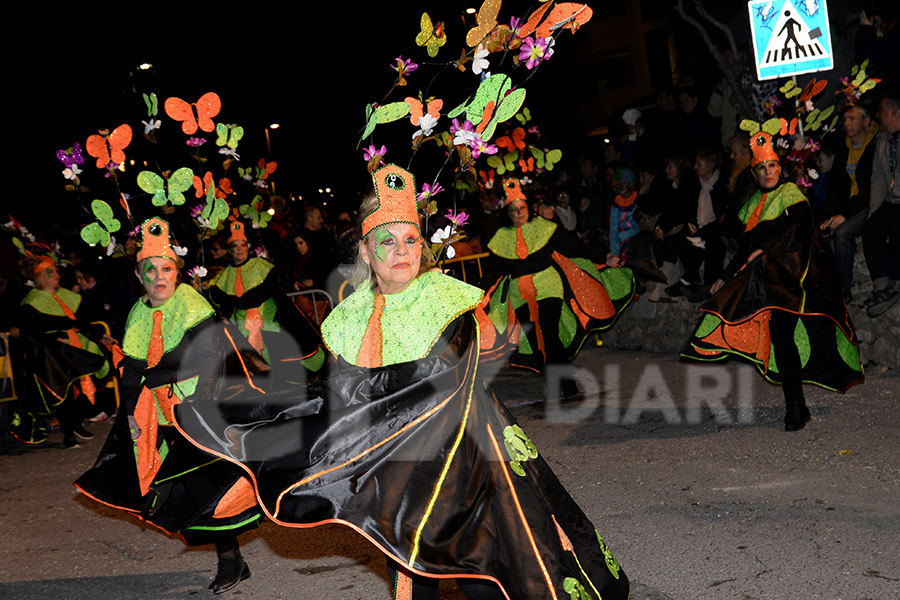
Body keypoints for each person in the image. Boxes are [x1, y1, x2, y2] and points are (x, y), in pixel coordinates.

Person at [175, 164, 630, 600]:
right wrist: (262, 418)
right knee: (411, 572)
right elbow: (339, 399)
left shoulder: (446, 301)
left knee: (490, 569)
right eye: (386, 241)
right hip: (398, 472)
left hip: (467, 463)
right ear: (366, 252)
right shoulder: (349, 320)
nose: (401, 251)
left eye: (411, 239)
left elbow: (432, 382)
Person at [75, 217, 265, 594]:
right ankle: (232, 558)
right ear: (138, 274)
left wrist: (153, 373)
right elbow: (131, 368)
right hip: (158, 414)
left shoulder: (192, 304)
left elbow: (199, 354)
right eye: (151, 270)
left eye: (167, 269)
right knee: (177, 489)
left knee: (210, 486)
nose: (160, 277)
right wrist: (133, 416)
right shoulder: (137, 313)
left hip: (200, 408)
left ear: (178, 272)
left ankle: (229, 559)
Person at [682, 124, 864, 431]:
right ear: (754, 174)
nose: (768, 172)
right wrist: (726, 275)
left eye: (773, 166)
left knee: (786, 334)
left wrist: (763, 250)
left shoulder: (792, 195)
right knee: (777, 336)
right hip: (771, 281)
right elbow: (747, 246)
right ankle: (796, 405)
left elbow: (791, 231)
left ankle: (796, 406)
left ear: (780, 169)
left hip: (798, 279)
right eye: (762, 168)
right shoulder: (755, 204)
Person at [479, 177, 635, 396]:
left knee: (549, 333)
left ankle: (568, 387)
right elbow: (492, 271)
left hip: (547, 285)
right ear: (508, 213)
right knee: (535, 339)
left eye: (523, 208)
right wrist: (476, 295)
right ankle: (554, 384)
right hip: (520, 291)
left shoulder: (544, 228)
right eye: (514, 210)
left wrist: (604, 257)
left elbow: (573, 247)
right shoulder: (500, 239)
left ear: (529, 209)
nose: (520, 213)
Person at [10, 255, 112, 448]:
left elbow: (80, 322)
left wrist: (100, 335)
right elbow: (32, 329)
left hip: (75, 346)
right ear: (41, 276)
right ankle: (68, 433)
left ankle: (74, 423)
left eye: (56, 270)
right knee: (65, 384)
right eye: (51, 272)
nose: (56, 274)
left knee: (95, 370)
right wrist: (53, 338)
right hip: (52, 351)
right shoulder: (33, 300)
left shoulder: (67, 296)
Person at [209, 221, 325, 377]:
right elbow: (222, 299)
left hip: (269, 321)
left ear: (247, 247)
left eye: (242, 245)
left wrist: (245, 301)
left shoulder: (260, 265)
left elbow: (265, 292)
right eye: (234, 247)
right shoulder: (224, 276)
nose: (239, 250)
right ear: (229, 250)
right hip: (241, 326)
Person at [819, 102, 879, 302]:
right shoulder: (844, 149)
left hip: (872, 203)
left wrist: (843, 214)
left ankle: (843, 290)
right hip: (851, 204)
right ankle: (830, 282)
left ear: (867, 121)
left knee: (842, 232)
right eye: (845, 119)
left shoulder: (877, 145)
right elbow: (835, 187)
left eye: (852, 118)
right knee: (822, 231)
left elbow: (871, 189)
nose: (847, 123)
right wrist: (827, 216)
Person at [861, 91, 900, 317]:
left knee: (897, 227)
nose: (877, 116)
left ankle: (895, 280)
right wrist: (873, 212)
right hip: (890, 199)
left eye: (882, 112)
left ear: (894, 112)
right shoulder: (883, 139)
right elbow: (877, 177)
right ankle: (881, 285)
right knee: (871, 228)